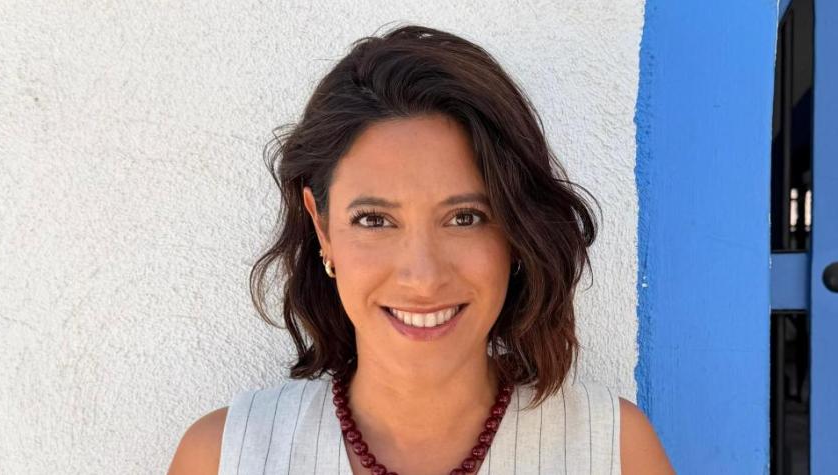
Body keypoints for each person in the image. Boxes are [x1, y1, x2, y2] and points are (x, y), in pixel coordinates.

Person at [168, 24, 673, 475]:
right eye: (374, 220)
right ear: (322, 229)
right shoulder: (224, 457)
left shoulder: (613, 452)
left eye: (465, 218)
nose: (423, 276)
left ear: (517, 233)